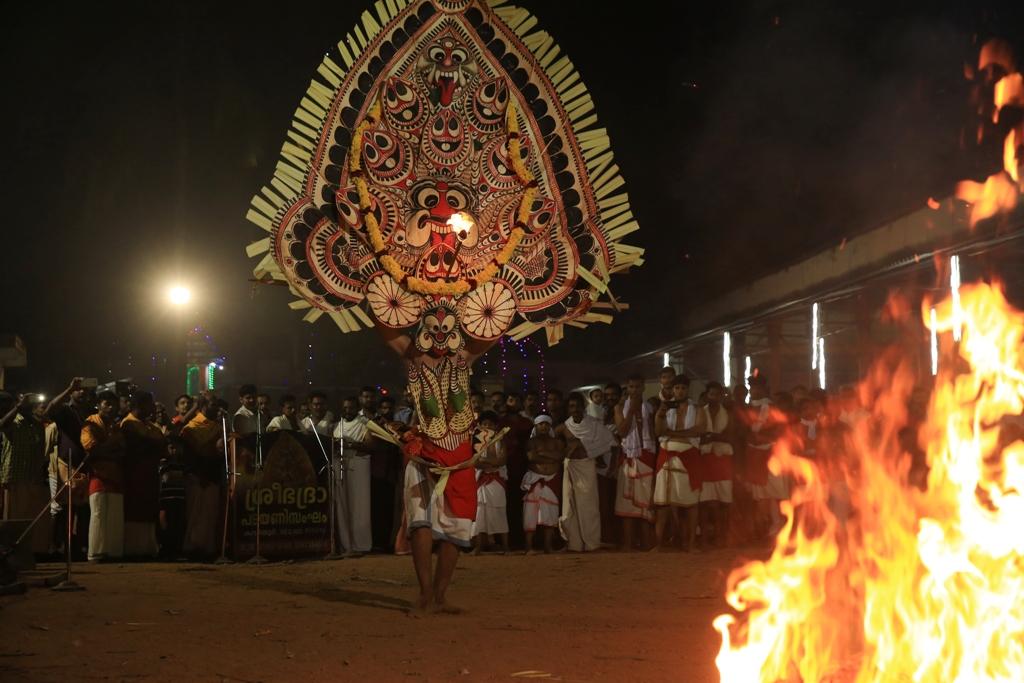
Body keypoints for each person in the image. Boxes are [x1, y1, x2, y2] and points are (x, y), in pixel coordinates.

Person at [557, 393, 614, 552]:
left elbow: (610, 440)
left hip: (586, 465)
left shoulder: (593, 425)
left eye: (578, 406)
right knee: (569, 506)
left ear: (583, 407)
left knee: (588, 506)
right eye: (571, 406)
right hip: (570, 466)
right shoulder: (565, 426)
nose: (575, 409)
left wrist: (588, 449)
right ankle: (574, 544)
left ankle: (592, 544)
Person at [653, 376, 702, 552]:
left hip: (688, 458)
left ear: (688, 390)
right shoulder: (664, 408)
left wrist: (672, 433)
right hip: (667, 458)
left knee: (691, 504)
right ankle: (659, 544)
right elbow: (658, 432)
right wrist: (660, 415)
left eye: (683, 388)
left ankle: (691, 544)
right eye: (677, 388)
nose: (680, 391)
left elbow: (698, 430)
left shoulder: (697, 409)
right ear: (672, 390)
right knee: (663, 505)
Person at [45, 377, 92, 558]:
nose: (82, 392)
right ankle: (63, 548)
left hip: (86, 465)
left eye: (85, 389)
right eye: (78, 389)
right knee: (66, 510)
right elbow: (49, 410)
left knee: (84, 510)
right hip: (68, 464)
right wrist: (69, 388)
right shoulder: (65, 410)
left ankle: (79, 547)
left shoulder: (91, 412)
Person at [0, 393, 50, 555]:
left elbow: (51, 409)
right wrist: (18, 407)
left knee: (30, 519)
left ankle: (27, 554)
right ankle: (11, 554)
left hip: (32, 477)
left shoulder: (35, 423)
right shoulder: (14, 421)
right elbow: (2, 424)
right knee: (14, 520)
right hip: (15, 477)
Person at [80, 391, 126, 562]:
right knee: (98, 514)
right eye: (107, 404)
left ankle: (113, 552)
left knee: (114, 515)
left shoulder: (116, 426)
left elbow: (122, 450)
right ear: (98, 405)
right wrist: (111, 446)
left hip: (115, 474)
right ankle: (96, 552)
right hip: (98, 475)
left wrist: (105, 448)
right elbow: (91, 447)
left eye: (114, 404)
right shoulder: (90, 422)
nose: (111, 407)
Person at [180, 397, 227, 560]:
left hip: (212, 476)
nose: (216, 408)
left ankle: (208, 549)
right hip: (196, 476)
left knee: (210, 514)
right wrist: (198, 474)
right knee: (195, 514)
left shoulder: (219, 427)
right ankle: (191, 549)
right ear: (203, 406)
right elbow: (189, 455)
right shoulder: (191, 427)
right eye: (213, 405)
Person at [614, 374, 656, 551]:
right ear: (627, 387)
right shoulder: (619, 407)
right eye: (631, 387)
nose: (634, 390)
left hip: (646, 457)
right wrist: (631, 410)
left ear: (643, 387)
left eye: (638, 387)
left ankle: (646, 543)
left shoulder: (650, 408)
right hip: (628, 458)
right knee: (627, 504)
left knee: (645, 504)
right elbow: (622, 432)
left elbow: (654, 434)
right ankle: (628, 543)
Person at [120, 391, 163, 558]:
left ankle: (147, 548)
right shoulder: (128, 424)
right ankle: (134, 549)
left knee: (148, 511)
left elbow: (160, 444)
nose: (153, 407)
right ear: (140, 405)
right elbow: (147, 444)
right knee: (135, 511)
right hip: (134, 474)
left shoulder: (148, 425)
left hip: (149, 474)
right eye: (150, 404)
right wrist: (153, 442)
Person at [744, 376, 787, 538]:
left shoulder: (772, 407)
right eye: (752, 387)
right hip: (754, 455)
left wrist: (764, 437)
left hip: (771, 453)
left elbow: (780, 430)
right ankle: (764, 527)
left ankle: (778, 524)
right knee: (760, 494)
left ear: (764, 389)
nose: (753, 390)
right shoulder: (748, 407)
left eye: (756, 387)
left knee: (775, 492)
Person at [333, 397, 375, 555]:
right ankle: (347, 545)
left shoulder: (364, 423)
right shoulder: (338, 424)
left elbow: (371, 444)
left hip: (358, 465)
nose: (347, 411)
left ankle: (361, 545)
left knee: (359, 506)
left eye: (351, 408)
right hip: (340, 465)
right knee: (343, 506)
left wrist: (350, 444)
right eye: (345, 408)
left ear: (357, 408)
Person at [699, 381, 734, 547]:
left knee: (724, 502)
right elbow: (698, 435)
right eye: (711, 394)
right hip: (706, 460)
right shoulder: (700, 412)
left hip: (722, 461)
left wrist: (712, 436)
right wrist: (716, 437)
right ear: (707, 395)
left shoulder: (728, 413)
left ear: (722, 396)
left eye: (717, 395)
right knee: (704, 502)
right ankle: (704, 538)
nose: (714, 397)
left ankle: (723, 537)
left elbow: (732, 436)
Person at [522, 415, 562, 554]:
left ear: (550, 426)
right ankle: (529, 547)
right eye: (541, 424)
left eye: (546, 424)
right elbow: (532, 457)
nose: (544, 426)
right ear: (536, 426)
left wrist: (543, 453)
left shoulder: (556, 442)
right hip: (535, 480)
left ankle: (548, 546)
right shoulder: (531, 442)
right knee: (530, 514)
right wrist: (551, 456)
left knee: (550, 513)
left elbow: (560, 456)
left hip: (551, 481)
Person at [471, 410, 509, 554]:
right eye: (485, 424)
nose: (487, 426)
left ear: (496, 426)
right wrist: (492, 462)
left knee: (500, 512)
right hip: (481, 481)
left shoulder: (500, 441)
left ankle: (505, 547)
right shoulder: (476, 442)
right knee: (479, 513)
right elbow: (475, 462)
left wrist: (485, 460)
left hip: (497, 481)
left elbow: (502, 460)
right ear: (480, 426)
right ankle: (478, 547)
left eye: (491, 424)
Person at [158, 437, 187, 559]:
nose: (174, 451)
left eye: (176, 448)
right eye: (171, 448)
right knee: (167, 524)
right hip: (167, 498)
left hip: (179, 497)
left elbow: (177, 477)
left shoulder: (182, 464)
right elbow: (166, 478)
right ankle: (167, 549)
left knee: (178, 524)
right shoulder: (164, 463)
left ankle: (176, 549)